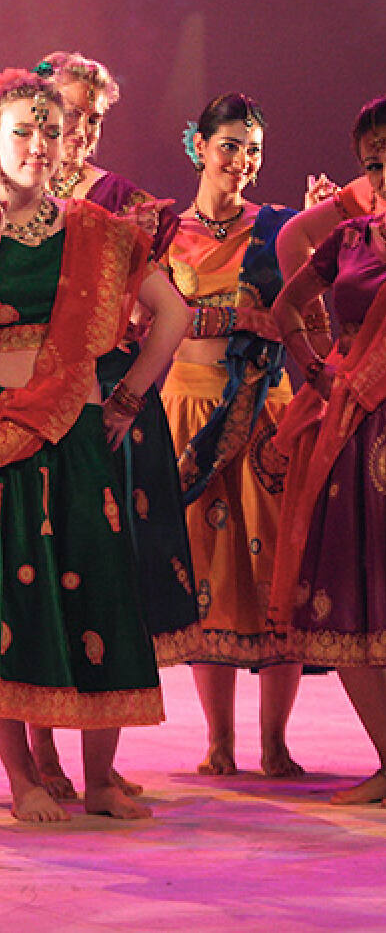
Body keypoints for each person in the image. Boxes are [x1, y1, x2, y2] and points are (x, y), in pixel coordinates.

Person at [0, 67, 191, 822]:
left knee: (101, 592)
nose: (38, 145)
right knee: (3, 598)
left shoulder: (99, 232)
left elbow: (172, 314)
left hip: (77, 435)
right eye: (22, 132)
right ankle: (25, 780)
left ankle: (100, 781)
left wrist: (127, 398)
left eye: (50, 132)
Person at [27, 51, 199, 802]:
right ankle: (41, 753)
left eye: (95, 118)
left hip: (108, 404)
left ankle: (99, 763)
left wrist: (126, 399)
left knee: (109, 578)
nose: (84, 131)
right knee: (38, 568)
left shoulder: (122, 201)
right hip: (35, 398)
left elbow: (161, 307)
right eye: (72, 114)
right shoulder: (16, 196)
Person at [160, 92, 321, 777]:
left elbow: (308, 312)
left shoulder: (280, 228)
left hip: (266, 409)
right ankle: (218, 742)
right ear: (198, 146)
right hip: (188, 411)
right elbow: (145, 321)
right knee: (208, 573)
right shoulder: (163, 232)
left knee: (276, 570)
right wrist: (224, 321)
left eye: (252, 149)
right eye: (229, 146)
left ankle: (275, 743)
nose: (241, 161)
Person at [269, 96, 386, 806]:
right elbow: (285, 306)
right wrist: (316, 369)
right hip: (355, 427)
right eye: (374, 162)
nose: (385, 172)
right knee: (349, 591)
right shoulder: (348, 240)